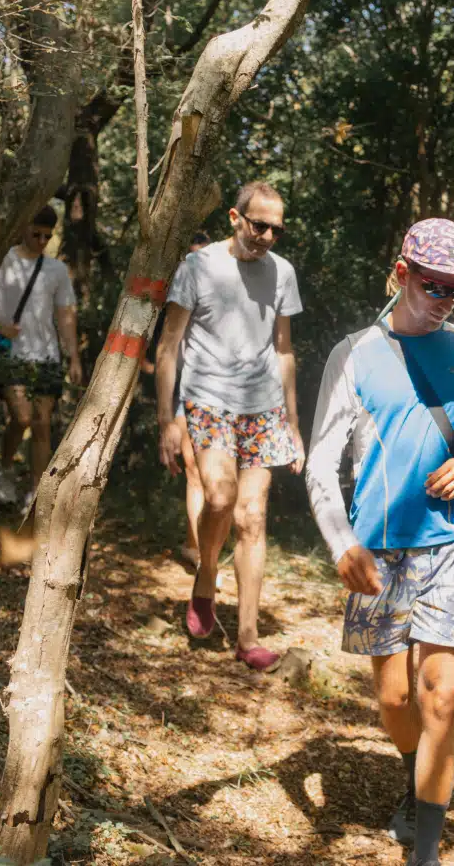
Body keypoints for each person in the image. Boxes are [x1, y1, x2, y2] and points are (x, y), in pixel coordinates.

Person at [305, 218, 454, 866]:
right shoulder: (354, 355)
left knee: (441, 691)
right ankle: (413, 770)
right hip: (376, 555)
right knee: (397, 700)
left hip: (449, 544)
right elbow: (319, 464)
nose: (445, 299)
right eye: (433, 285)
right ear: (401, 275)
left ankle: (424, 852)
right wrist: (341, 544)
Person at [156, 182, 305, 671]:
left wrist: (294, 424)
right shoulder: (198, 267)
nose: (266, 236)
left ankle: (247, 635)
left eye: (276, 230)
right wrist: (166, 421)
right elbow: (169, 345)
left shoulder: (282, 273)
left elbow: (283, 349)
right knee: (218, 498)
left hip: (262, 408)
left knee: (253, 516)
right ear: (234, 218)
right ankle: (205, 575)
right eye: (258, 224)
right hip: (208, 401)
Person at [0, 205, 81, 510]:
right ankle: (5, 471)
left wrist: (73, 357)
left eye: (48, 236)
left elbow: (66, 315)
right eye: (36, 233)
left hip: (46, 355)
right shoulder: (1, 259)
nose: (41, 240)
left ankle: (36, 490)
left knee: (42, 423)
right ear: (24, 228)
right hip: (9, 355)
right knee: (21, 418)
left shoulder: (56, 270)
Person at [143, 231, 210, 569]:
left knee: (218, 480)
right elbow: (162, 342)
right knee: (194, 470)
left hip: (221, 394)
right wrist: (164, 414)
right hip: (185, 390)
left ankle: (202, 542)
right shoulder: (174, 293)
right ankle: (198, 549)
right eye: (190, 255)